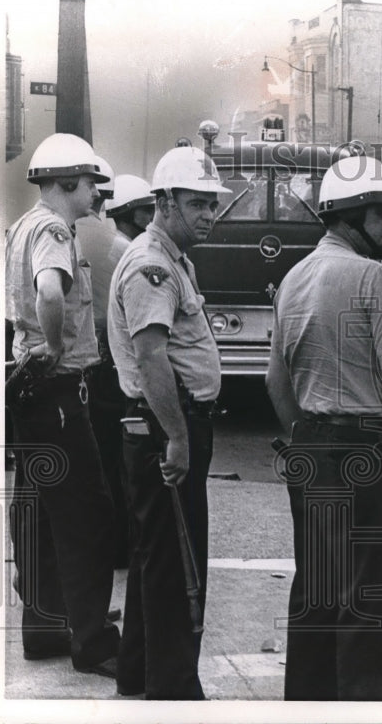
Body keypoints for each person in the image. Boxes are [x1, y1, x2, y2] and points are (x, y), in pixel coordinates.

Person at [266, 154, 382, 701]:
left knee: (317, 589)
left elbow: (276, 381)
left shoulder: (293, 278)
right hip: (370, 452)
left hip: (310, 447)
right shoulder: (373, 277)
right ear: (351, 216)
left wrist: (309, 437)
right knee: (371, 599)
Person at [107, 146, 231, 700]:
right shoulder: (151, 264)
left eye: (213, 205)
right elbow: (152, 356)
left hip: (166, 423)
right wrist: (178, 437)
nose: (209, 214)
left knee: (155, 554)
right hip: (164, 427)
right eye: (198, 204)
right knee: (178, 563)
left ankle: (138, 670)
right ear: (164, 202)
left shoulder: (173, 257)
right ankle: (174, 690)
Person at [4, 133, 120, 678]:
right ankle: (94, 641)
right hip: (57, 391)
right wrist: (54, 346)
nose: (98, 192)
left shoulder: (22, 226)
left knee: (38, 515)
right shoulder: (53, 229)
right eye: (93, 182)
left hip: (30, 392)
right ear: (68, 181)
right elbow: (51, 291)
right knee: (85, 515)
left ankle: (45, 626)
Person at [73, 158, 133, 571]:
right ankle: (119, 546)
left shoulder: (64, 235)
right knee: (114, 461)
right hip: (109, 365)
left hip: (72, 365)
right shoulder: (121, 247)